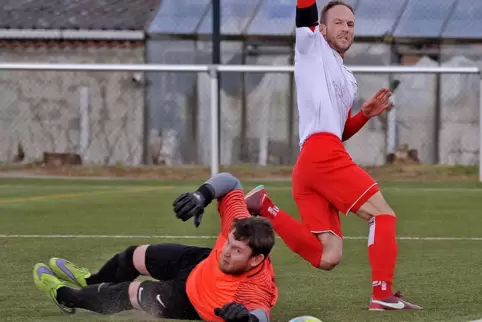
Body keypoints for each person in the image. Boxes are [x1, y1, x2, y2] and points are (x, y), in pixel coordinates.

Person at [244, 0, 422, 311]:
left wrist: (365, 114)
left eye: (350, 24)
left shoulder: (347, 77)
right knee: (382, 215)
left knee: (328, 256)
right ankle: (382, 294)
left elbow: (338, 131)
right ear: (322, 28)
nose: (345, 28)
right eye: (338, 22)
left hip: (313, 160)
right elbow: (305, 11)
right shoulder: (312, 47)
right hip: (322, 154)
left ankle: (264, 206)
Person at [33, 172, 277, 321]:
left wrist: (246, 319)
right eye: (230, 242)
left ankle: (67, 298)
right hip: (201, 262)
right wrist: (200, 196)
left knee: (131, 292)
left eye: (237, 251)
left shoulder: (255, 287)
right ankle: (90, 281)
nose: (227, 249)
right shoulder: (239, 227)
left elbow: (261, 314)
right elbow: (231, 181)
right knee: (134, 255)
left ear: (256, 259)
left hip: (190, 298)